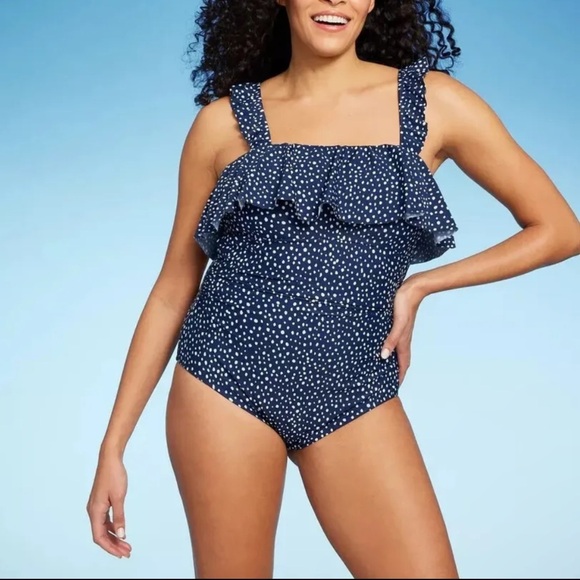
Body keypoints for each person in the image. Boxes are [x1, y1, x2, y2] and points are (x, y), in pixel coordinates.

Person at [86, 0, 580, 577]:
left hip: (353, 386)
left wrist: (421, 285)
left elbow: (560, 230)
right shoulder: (222, 124)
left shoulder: (434, 104)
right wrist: (112, 448)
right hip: (222, 385)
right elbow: (174, 289)